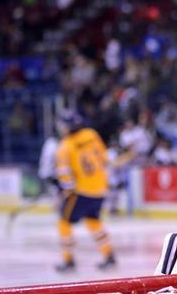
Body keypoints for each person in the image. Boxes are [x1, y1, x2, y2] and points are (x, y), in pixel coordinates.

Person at [54, 110, 116, 272]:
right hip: (100, 188)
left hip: (81, 192)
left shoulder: (65, 145)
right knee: (93, 220)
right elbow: (104, 158)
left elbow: (64, 172)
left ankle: (68, 260)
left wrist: (66, 189)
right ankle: (109, 255)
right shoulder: (92, 134)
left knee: (64, 222)